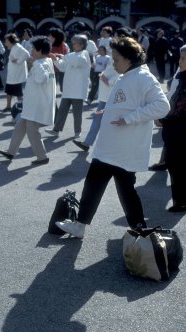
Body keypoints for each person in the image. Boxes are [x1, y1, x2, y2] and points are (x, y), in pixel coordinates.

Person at [55, 37, 170, 238]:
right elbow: (125, 101)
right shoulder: (128, 75)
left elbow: (162, 106)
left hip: (123, 148)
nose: (113, 63)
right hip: (112, 147)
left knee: (116, 188)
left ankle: (137, 230)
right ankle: (135, 229)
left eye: (116, 59)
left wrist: (130, 118)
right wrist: (108, 111)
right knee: (106, 185)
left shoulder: (144, 77)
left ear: (129, 58)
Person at [0, 36, 56, 165]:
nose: (32, 51)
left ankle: (42, 157)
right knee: (20, 126)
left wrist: (35, 64)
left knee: (32, 131)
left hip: (37, 105)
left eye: (34, 49)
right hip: (32, 104)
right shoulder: (46, 61)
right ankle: (11, 151)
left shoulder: (41, 63)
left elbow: (41, 79)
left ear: (40, 51)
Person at [45, 34, 91, 138]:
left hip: (78, 91)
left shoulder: (84, 54)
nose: (73, 44)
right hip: (69, 89)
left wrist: (62, 56)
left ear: (81, 44)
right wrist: (55, 60)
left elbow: (78, 61)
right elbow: (62, 67)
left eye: (74, 43)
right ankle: (56, 130)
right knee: (62, 111)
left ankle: (77, 132)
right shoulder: (72, 55)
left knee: (77, 113)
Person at [158, 45, 186, 212]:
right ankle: (180, 200)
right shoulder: (182, 76)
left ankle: (181, 202)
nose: (179, 61)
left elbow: (183, 108)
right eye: (180, 57)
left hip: (181, 131)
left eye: (183, 59)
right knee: (174, 165)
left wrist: (164, 119)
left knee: (178, 166)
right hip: (175, 130)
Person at [73, 56, 119, 151]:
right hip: (105, 97)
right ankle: (88, 143)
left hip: (109, 98)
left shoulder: (120, 63)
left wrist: (103, 78)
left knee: (102, 121)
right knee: (99, 120)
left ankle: (90, 144)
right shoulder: (113, 59)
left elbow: (114, 80)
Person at [0, 33, 30, 112]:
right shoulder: (14, 47)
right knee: (9, 91)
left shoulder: (18, 47)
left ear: (10, 41)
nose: (5, 43)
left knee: (18, 93)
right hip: (12, 75)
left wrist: (18, 61)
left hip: (17, 75)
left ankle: (23, 107)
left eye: (6, 41)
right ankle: (8, 106)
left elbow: (27, 54)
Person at [47, 27, 69, 92]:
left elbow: (66, 56)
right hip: (51, 68)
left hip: (61, 68)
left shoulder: (64, 45)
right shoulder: (49, 44)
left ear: (55, 37)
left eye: (50, 35)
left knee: (63, 87)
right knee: (51, 86)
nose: (48, 37)